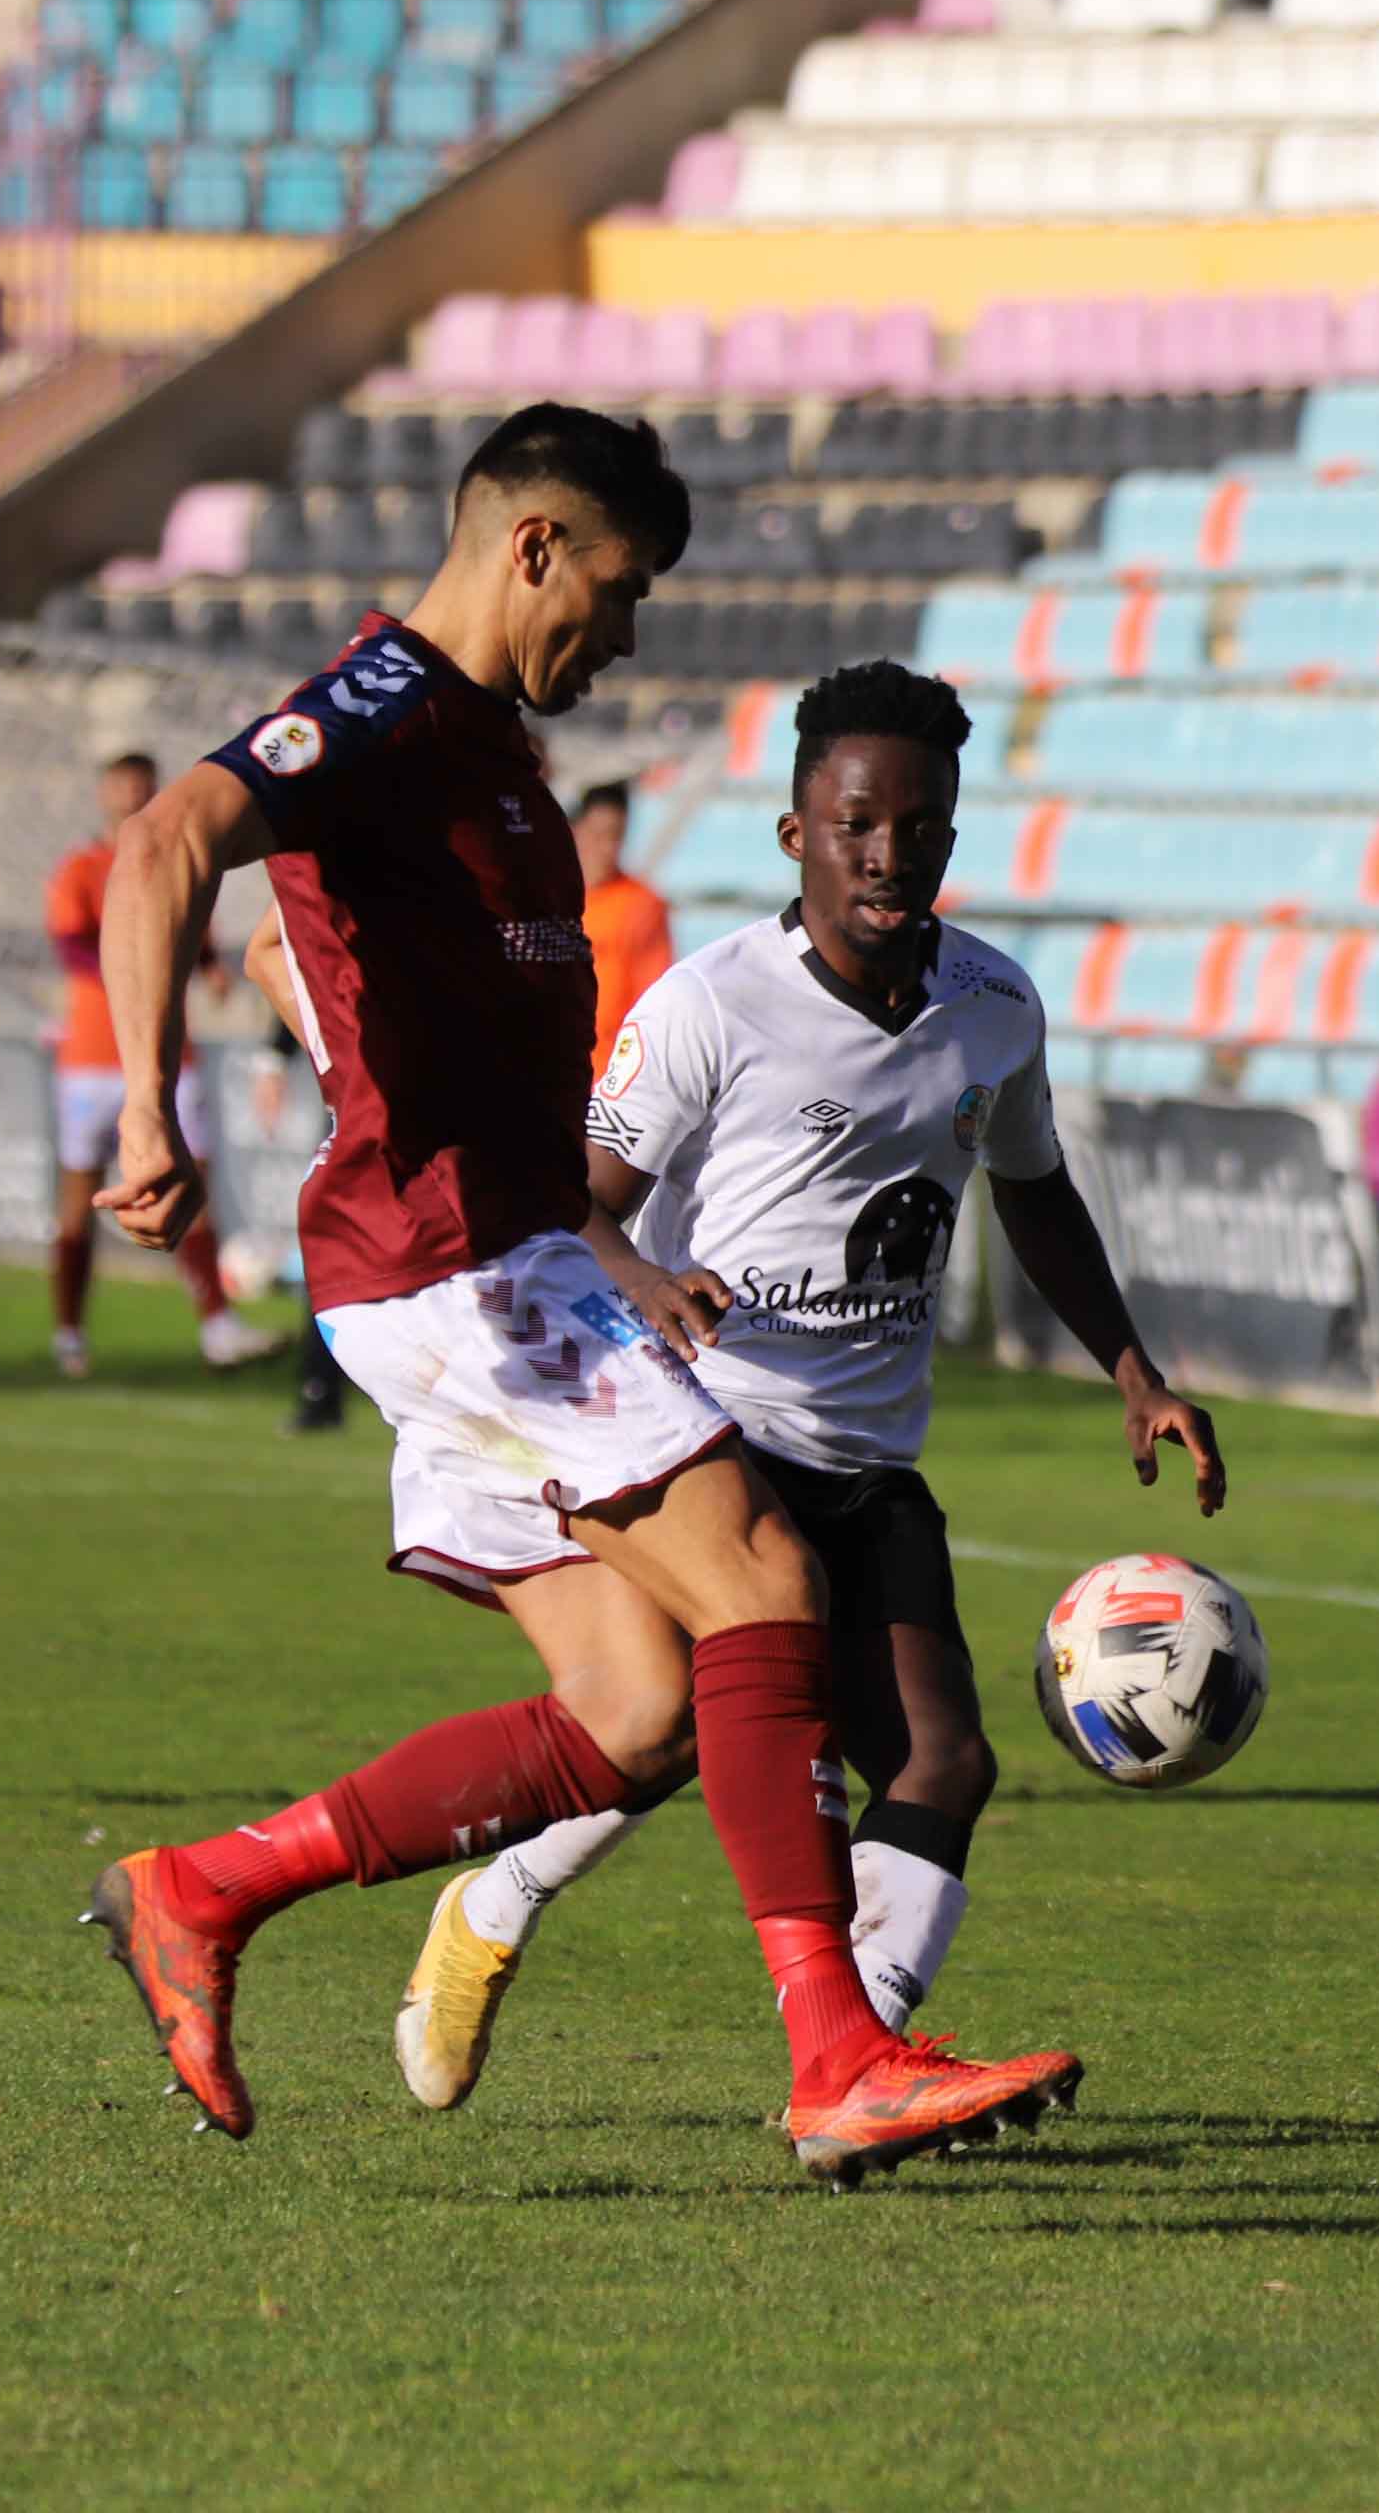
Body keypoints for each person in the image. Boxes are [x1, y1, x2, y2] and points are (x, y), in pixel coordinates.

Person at [83, 403, 1089, 2187]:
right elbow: (171, 843)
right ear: (534, 545)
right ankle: (839, 2053)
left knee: (633, 1707)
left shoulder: (474, 752)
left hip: (491, 1256)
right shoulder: (387, 707)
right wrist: (152, 1101)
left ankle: (202, 1889)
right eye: (617, 592)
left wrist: (329, 1000)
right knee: (765, 1575)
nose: (621, 638)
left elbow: (285, 934)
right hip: (456, 1260)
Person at [387, 661, 1226, 2108]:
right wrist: (644, 1279)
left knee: (944, 1762)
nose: (888, 853)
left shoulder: (993, 1009)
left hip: (869, 1451)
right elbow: (567, 1191)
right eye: (856, 825)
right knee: (673, 1734)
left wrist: (1133, 1366)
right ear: (797, 835)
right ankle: (496, 1911)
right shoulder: (712, 1006)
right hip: (708, 1433)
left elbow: (1035, 1189)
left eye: (920, 827)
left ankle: (859, 2054)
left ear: (953, 840)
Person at [44, 750, 278, 1376]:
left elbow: (197, 945)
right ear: (103, 792)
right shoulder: (80, 869)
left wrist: (203, 970)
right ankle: (69, 1331)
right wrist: (148, 961)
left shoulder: (176, 865)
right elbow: (72, 949)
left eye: (142, 786)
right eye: (120, 784)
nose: (130, 796)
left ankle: (218, 1326)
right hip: (91, 1059)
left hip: (173, 1058)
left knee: (192, 1182)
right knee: (80, 1197)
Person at [573, 777, 671, 1077]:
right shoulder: (545, 898)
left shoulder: (642, 904)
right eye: (598, 835)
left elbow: (654, 1001)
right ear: (576, 831)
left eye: (616, 836)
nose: (607, 848)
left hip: (610, 1075)